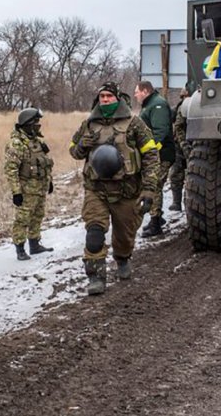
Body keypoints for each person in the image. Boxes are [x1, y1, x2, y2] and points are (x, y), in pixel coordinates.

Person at [69, 81, 160, 295]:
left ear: (117, 98)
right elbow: (74, 150)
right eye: (102, 97)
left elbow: (151, 155)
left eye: (109, 96)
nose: (105, 100)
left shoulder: (134, 123)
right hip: (96, 188)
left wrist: (149, 190)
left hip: (126, 191)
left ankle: (122, 258)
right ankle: (95, 277)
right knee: (94, 232)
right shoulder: (89, 124)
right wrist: (83, 145)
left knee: (125, 236)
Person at [4, 107, 55, 261]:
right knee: (22, 219)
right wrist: (16, 192)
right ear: (28, 124)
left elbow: (45, 164)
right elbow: (11, 170)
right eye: (36, 122)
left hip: (39, 188)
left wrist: (50, 181)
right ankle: (20, 248)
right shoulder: (17, 144)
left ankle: (34, 244)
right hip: (26, 190)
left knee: (38, 215)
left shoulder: (37, 142)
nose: (38, 125)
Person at [133, 80, 175, 238]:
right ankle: (157, 217)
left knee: (155, 185)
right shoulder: (150, 104)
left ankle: (155, 222)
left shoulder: (157, 105)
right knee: (154, 184)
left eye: (137, 92)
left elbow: (160, 132)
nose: (135, 95)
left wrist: (149, 152)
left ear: (145, 91)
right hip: (157, 154)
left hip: (161, 155)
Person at [168, 88, 190, 212]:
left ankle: (188, 201)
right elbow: (178, 128)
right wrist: (184, 145)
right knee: (176, 174)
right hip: (180, 146)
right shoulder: (180, 109)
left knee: (192, 176)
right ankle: (176, 202)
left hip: (192, 145)